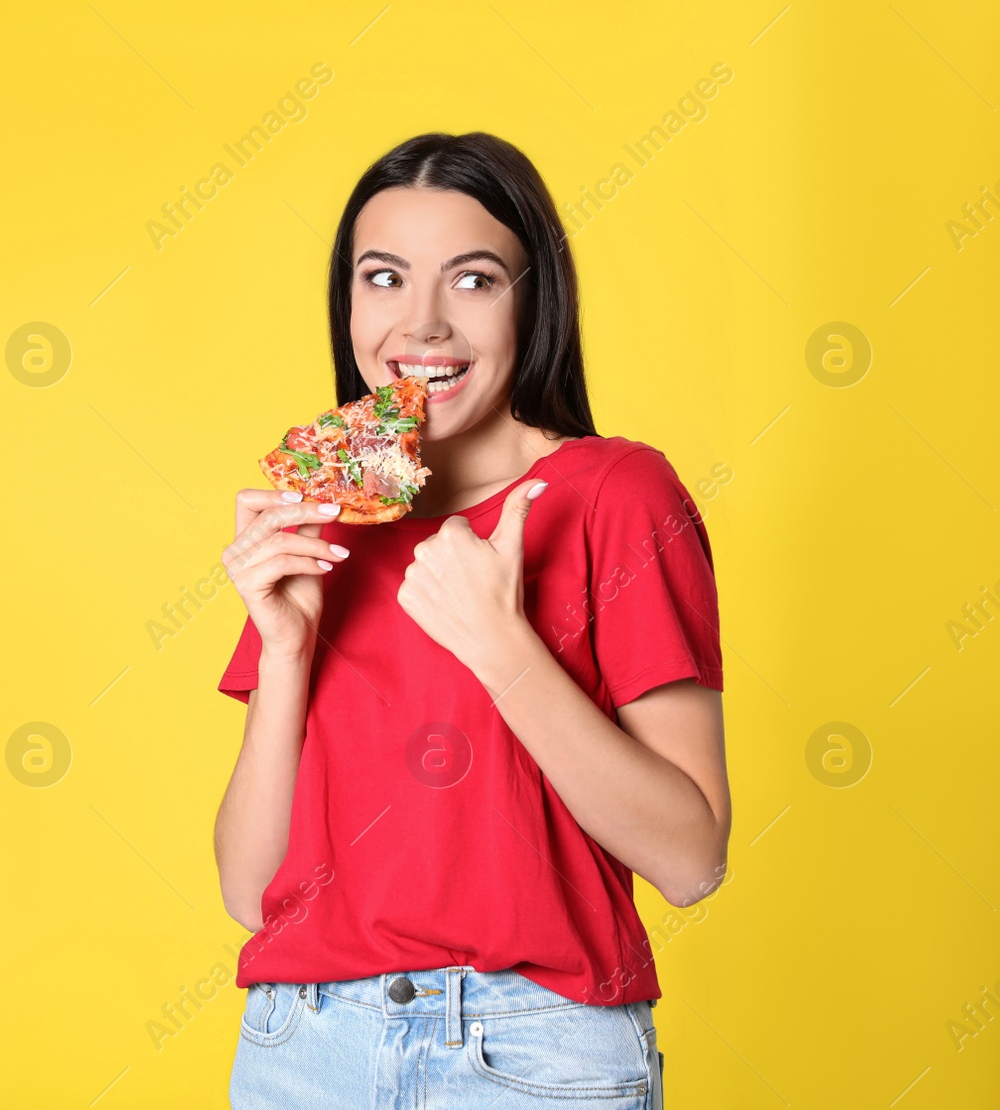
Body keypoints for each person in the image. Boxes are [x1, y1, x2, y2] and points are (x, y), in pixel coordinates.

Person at [212, 132, 729, 1109]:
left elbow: (690, 856)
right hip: (299, 1047)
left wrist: (503, 649)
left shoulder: (614, 495)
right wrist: (285, 649)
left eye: (474, 280)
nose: (422, 325)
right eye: (383, 278)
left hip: (530, 1058)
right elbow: (251, 894)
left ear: (534, 302)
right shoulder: (329, 517)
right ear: (347, 302)